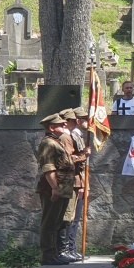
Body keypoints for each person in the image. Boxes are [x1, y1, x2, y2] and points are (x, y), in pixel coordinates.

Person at [35, 113, 76, 265]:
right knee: (49, 222)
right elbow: (48, 168)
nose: (65, 125)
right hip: (54, 189)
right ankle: (48, 255)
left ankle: (55, 253)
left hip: (63, 188)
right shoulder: (48, 144)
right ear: (51, 127)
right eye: (61, 124)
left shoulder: (57, 142)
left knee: (57, 223)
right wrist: (54, 188)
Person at [61, 107, 92, 260]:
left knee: (75, 217)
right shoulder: (67, 138)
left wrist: (85, 185)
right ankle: (66, 249)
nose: (87, 122)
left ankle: (71, 248)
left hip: (78, 182)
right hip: (72, 182)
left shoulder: (78, 137)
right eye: (84, 119)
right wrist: (83, 155)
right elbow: (70, 160)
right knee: (69, 217)